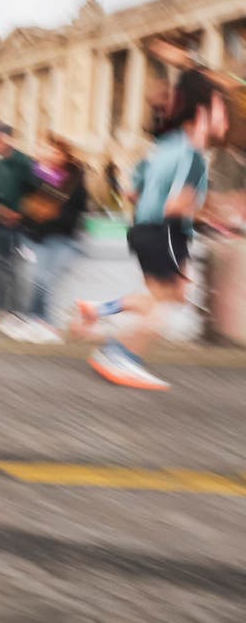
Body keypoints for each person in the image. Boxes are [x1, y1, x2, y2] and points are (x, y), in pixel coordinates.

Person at [73, 69, 227, 390]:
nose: (226, 117)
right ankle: (121, 355)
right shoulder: (192, 156)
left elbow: (135, 189)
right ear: (202, 113)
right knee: (164, 308)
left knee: (168, 298)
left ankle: (100, 312)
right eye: (220, 108)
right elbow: (174, 207)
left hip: (146, 228)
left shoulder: (168, 145)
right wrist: (212, 210)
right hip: (165, 230)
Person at [14, 134, 88, 343]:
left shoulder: (74, 179)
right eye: (46, 149)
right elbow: (25, 205)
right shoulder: (36, 176)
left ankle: (44, 323)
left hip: (65, 238)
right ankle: (36, 321)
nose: (50, 155)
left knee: (46, 279)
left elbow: (78, 209)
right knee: (39, 279)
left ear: (65, 156)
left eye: (55, 151)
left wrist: (52, 213)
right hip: (39, 236)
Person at [0, 121, 35, 331]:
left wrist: (19, 212)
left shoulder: (23, 162)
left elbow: (35, 188)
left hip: (17, 225)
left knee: (14, 269)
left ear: (8, 139)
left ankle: (14, 311)